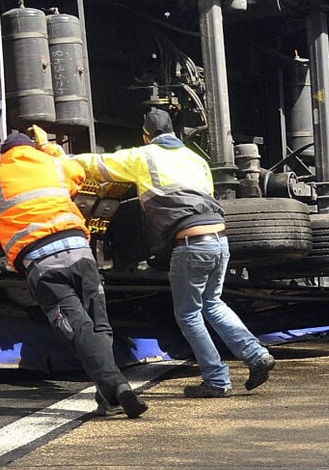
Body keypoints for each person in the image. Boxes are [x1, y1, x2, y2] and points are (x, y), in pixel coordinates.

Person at [0, 131, 148, 418]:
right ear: (32, 149)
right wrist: (48, 145)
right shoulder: (55, 166)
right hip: (80, 253)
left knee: (79, 329)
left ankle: (117, 386)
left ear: (4, 155)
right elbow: (77, 171)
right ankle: (108, 394)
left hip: (44, 264)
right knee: (99, 325)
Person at [68, 109, 276, 398]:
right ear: (175, 133)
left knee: (189, 314)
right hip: (220, 239)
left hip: (191, 244)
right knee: (212, 303)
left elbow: (96, 164)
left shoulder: (144, 156)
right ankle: (257, 356)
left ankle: (216, 379)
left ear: (145, 135)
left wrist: (57, 159)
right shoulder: (197, 159)